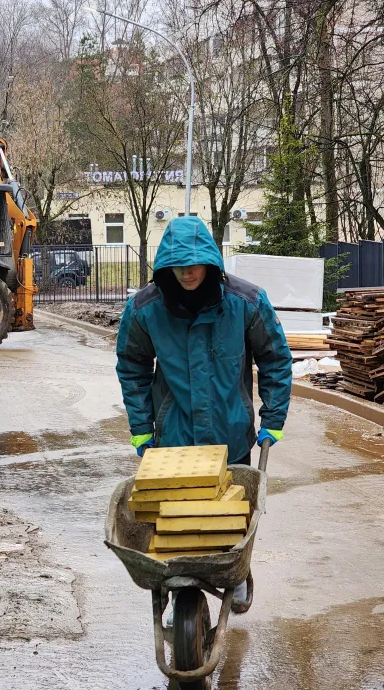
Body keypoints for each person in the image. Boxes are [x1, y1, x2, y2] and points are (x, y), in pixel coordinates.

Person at [115, 216, 292, 612]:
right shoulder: (146, 309)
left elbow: (274, 359)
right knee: (177, 518)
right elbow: (132, 366)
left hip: (230, 433)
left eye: (194, 263)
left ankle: (235, 570)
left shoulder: (245, 303)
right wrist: (141, 428)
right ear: (166, 265)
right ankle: (181, 579)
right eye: (178, 265)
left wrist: (274, 419)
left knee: (230, 513)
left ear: (211, 260)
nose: (187, 272)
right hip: (174, 440)